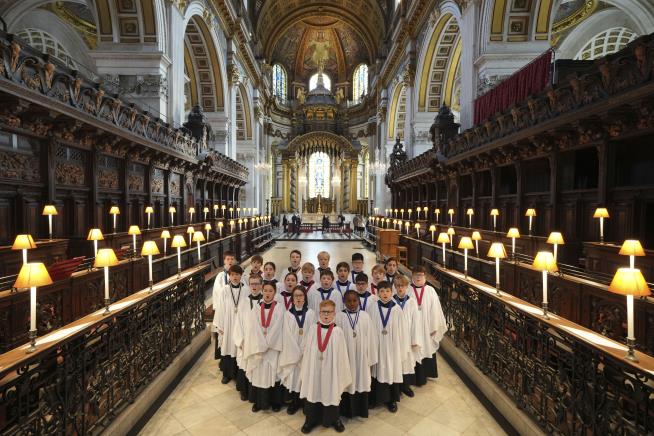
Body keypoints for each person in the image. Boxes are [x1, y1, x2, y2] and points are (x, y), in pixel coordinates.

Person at [237, 283, 297, 412]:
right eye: (265, 291)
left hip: (273, 348)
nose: (267, 293)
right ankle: (259, 402)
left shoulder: (280, 308)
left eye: (270, 291)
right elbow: (253, 328)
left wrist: (268, 343)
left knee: (273, 374)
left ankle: (276, 402)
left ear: (275, 292)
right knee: (259, 373)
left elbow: (278, 328)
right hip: (259, 348)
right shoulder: (256, 308)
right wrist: (261, 344)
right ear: (262, 291)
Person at [299, 300, 351, 433]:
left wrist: (340, 371)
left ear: (334, 313)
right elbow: (307, 349)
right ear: (319, 313)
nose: (326, 315)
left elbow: (342, 354)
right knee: (313, 390)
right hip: (314, 368)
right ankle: (310, 420)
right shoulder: (312, 329)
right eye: (323, 312)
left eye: (329, 312)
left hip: (331, 369)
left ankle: (334, 419)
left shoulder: (337, 331)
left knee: (331, 390)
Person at [369, 280, 410, 413]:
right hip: (378, 345)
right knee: (378, 369)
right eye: (382, 291)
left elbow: (402, 330)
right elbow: (369, 329)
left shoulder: (397, 309)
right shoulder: (373, 307)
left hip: (392, 346)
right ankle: (375, 398)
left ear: (391, 292)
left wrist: (401, 348)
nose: (385, 294)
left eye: (387, 291)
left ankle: (391, 399)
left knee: (391, 370)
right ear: (377, 293)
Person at [335, 290, 377, 419]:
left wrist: (370, 357)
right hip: (346, 357)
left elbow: (371, 337)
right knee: (347, 381)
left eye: (354, 300)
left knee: (361, 380)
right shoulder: (339, 317)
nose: (352, 303)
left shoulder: (365, 316)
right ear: (344, 302)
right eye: (348, 301)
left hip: (361, 358)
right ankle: (346, 410)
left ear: (359, 301)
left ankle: (361, 409)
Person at [281, 285, 316, 415]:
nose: (298, 298)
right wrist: (296, 351)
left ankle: (305, 404)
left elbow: (312, 333)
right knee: (294, 378)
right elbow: (287, 334)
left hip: (306, 352)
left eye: (301, 295)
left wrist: (303, 349)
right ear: (292, 298)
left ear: (305, 298)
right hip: (292, 353)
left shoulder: (311, 313)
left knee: (305, 378)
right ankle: (294, 403)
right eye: (296, 296)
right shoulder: (288, 314)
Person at [410, 266, 447, 385]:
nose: (418, 278)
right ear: (412, 277)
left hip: (427, 327)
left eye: (420, 275)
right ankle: (413, 376)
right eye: (416, 275)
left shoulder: (430, 290)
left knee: (426, 348)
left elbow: (435, 310)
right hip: (413, 328)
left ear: (425, 277)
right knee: (413, 349)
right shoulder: (408, 290)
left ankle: (424, 374)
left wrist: (434, 327)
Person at [216, 265, 250, 384]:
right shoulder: (224, 290)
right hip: (228, 323)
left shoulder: (246, 290)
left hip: (241, 325)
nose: (235, 277)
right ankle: (227, 374)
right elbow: (220, 308)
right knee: (228, 346)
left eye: (237, 274)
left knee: (239, 348)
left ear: (241, 275)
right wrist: (220, 326)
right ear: (229, 276)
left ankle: (238, 375)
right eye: (232, 275)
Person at [234, 274, 265, 400]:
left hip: (259, 343)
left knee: (257, 368)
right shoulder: (243, 302)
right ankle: (244, 391)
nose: (254, 286)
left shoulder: (265, 303)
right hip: (246, 342)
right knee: (245, 365)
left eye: (257, 284)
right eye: (252, 284)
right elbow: (238, 323)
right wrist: (240, 341)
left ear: (261, 285)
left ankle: (255, 394)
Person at [393, 274, 422, 398]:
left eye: (403, 286)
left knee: (407, 362)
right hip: (395, 338)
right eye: (398, 286)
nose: (400, 288)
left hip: (408, 337)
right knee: (396, 363)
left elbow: (415, 321)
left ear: (406, 287)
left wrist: (415, 339)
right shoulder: (392, 301)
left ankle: (406, 386)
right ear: (395, 287)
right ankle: (396, 388)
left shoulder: (411, 302)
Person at [212, 251, 237, 360]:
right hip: (223, 312)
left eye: (232, 259)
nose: (230, 261)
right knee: (224, 337)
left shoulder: (239, 274)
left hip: (235, 312)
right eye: (228, 259)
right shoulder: (220, 276)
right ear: (224, 261)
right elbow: (218, 293)